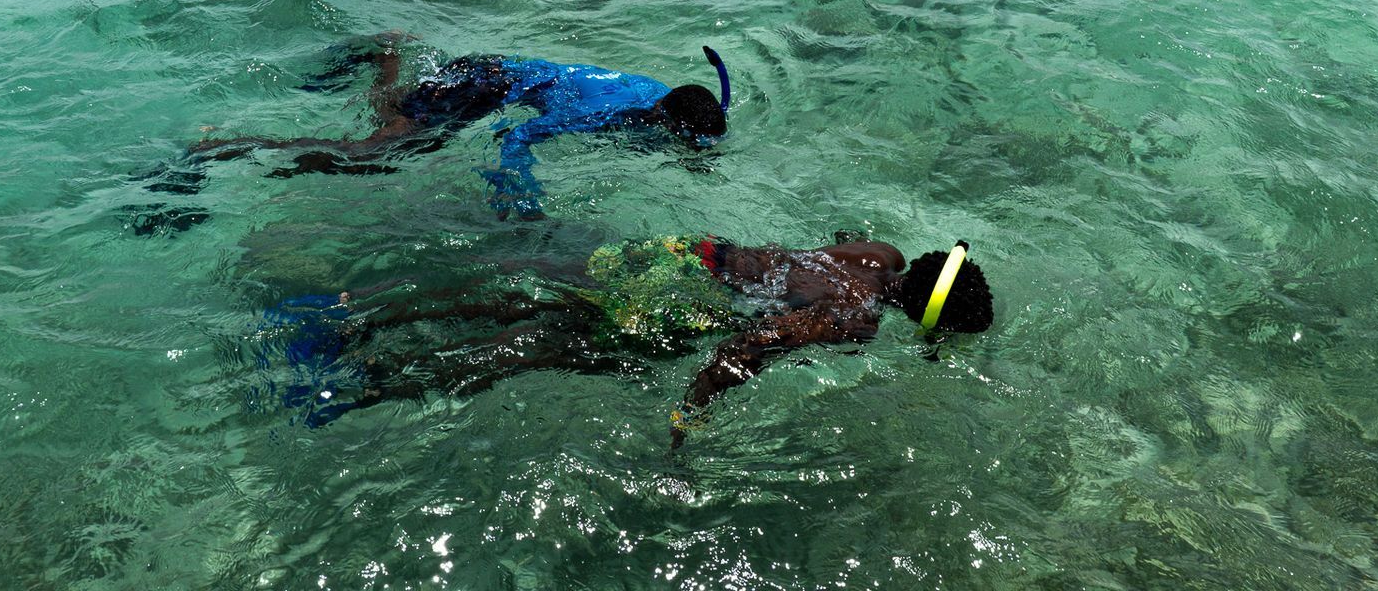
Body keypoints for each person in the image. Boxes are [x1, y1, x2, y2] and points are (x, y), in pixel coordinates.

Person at [250, 233, 994, 448]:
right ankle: (359, 389)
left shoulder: (875, 255)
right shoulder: (852, 325)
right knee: (534, 350)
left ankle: (342, 318)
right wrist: (689, 416)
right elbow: (749, 346)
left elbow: (813, 258)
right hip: (680, 313)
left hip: (682, 256)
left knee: (515, 293)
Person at [134, 36, 733, 231]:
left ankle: (384, 54)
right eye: (689, 144)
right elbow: (519, 137)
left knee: (392, 131)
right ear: (666, 120)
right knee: (376, 155)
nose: (692, 153)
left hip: (491, 74)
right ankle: (215, 149)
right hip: (486, 84)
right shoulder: (609, 114)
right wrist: (516, 186)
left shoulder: (669, 100)